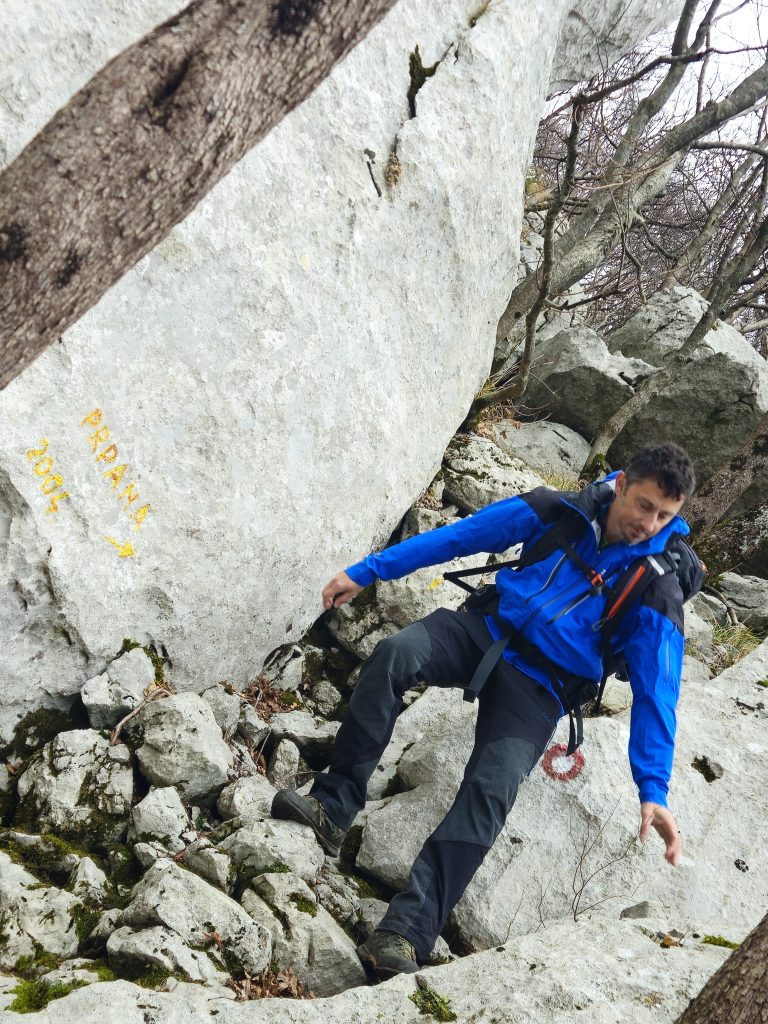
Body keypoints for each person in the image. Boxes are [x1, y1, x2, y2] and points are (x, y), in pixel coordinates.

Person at [272, 442, 696, 981]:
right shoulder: (558, 510)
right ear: (622, 484)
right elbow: (460, 536)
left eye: (664, 516)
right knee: (396, 654)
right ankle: (333, 806)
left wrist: (653, 789)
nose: (649, 524)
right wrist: (368, 571)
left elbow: (659, 692)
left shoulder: (658, 588)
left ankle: (406, 931)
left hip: (543, 685)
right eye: (644, 505)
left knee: (493, 788)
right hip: (485, 630)